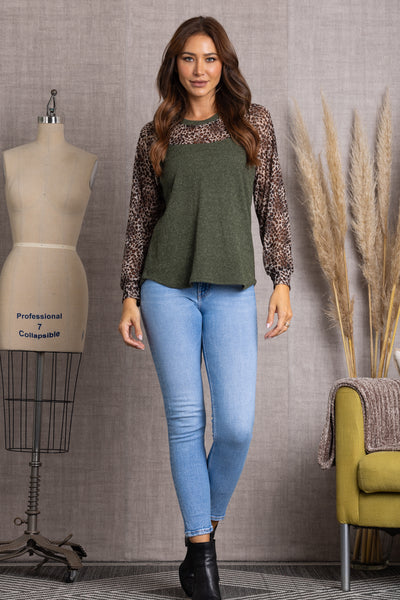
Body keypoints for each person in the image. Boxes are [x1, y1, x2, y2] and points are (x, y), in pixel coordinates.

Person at [119, 16, 293, 600]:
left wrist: (283, 279)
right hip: (165, 289)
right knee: (187, 422)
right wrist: (128, 293)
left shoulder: (252, 124)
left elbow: (273, 205)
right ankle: (201, 557)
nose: (200, 69)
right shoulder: (155, 135)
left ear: (224, 65)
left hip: (232, 289)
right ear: (175, 64)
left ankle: (202, 537)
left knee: (236, 426)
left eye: (210, 58)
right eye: (189, 58)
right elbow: (141, 218)